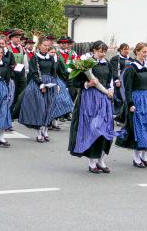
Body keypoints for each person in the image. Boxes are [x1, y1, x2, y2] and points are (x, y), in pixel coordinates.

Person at [68, 41, 116, 174]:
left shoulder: (107, 63)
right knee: (93, 129)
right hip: (90, 100)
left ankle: (101, 160)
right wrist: (88, 84)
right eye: (100, 51)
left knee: (106, 129)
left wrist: (111, 90)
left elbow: (111, 79)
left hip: (105, 100)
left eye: (104, 51)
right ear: (94, 50)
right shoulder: (86, 64)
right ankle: (92, 162)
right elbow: (75, 82)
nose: (103, 54)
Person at [115, 42, 147, 168]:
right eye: (143, 52)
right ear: (137, 52)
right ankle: (136, 157)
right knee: (139, 129)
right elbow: (127, 89)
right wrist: (130, 103)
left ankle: (144, 155)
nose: (145, 54)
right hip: (137, 100)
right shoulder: (131, 68)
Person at [18, 37, 59, 143]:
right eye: (44, 45)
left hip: (50, 83)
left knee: (49, 107)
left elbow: (54, 72)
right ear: (39, 46)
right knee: (40, 108)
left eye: (47, 45)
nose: (46, 47)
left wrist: (56, 84)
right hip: (38, 84)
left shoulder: (50, 58)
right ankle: (38, 133)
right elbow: (33, 73)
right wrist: (41, 84)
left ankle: (45, 131)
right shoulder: (34, 58)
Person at [49, 46, 74, 130]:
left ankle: (55, 121)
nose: (53, 54)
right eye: (51, 52)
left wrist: (65, 83)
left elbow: (63, 72)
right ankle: (48, 121)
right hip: (47, 81)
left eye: (54, 52)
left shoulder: (58, 60)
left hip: (57, 81)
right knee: (49, 102)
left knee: (59, 100)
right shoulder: (45, 60)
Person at [109, 43, 133, 119]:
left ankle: (124, 116)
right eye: (125, 49)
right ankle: (118, 116)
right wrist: (116, 80)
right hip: (119, 82)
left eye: (127, 49)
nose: (127, 51)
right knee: (120, 98)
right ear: (121, 50)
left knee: (126, 98)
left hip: (127, 82)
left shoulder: (131, 59)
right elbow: (114, 70)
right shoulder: (116, 59)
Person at [7, 30, 27, 116]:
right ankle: (10, 113)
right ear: (11, 39)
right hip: (12, 73)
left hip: (21, 73)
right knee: (13, 94)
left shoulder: (22, 48)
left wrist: (25, 71)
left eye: (19, 37)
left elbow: (24, 61)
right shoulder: (7, 48)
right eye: (16, 37)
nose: (18, 39)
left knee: (23, 92)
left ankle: (17, 113)